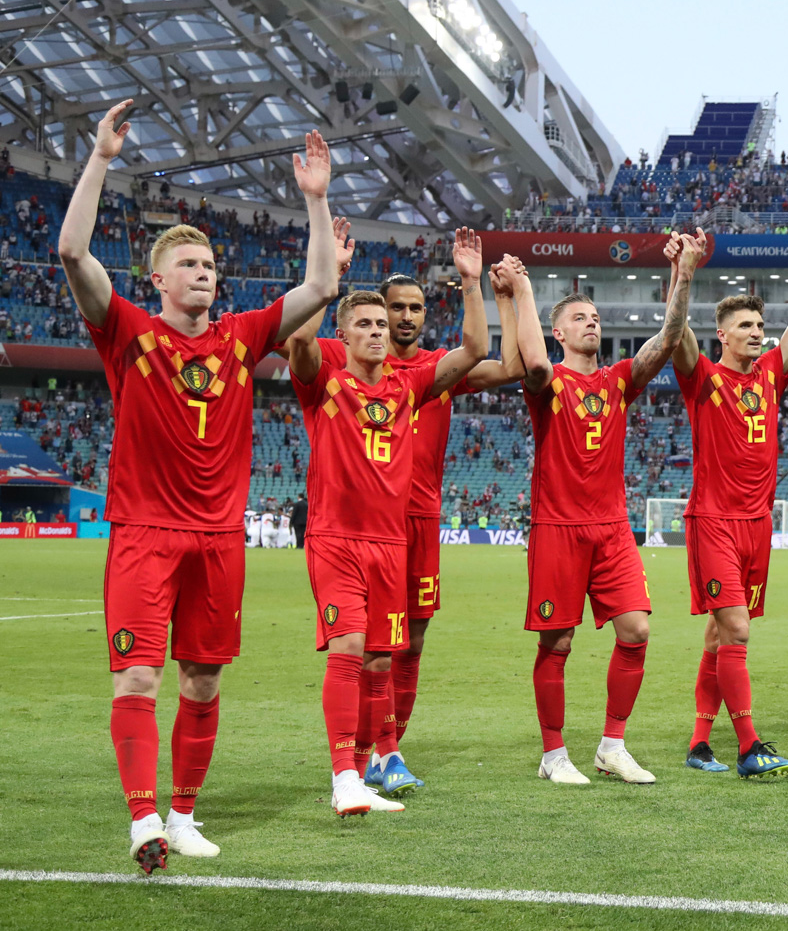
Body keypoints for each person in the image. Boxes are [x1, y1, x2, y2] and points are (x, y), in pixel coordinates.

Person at [59, 102, 339, 871]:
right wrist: (101, 158)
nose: (204, 270)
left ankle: (183, 815)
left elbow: (320, 284)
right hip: (146, 533)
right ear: (157, 281)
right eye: (188, 263)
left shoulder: (243, 337)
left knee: (205, 680)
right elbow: (72, 249)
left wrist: (315, 199)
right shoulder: (126, 333)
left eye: (210, 262)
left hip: (220, 538)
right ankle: (142, 821)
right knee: (139, 673)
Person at [283, 219, 524, 796]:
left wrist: (476, 285)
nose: (400, 320)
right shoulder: (333, 377)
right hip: (345, 531)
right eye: (384, 314)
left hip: (405, 530)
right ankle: (356, 764)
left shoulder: (419, 380)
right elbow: (298, 344)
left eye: (413, 309)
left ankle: (383, 753)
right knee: (355, 649)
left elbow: (486, 354)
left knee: (397, 650)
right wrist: (326, 279)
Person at [502, 230, 701, 785]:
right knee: (558, 641)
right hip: (557, 527)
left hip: (612, 528)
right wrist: (522, 292)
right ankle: (553, 755)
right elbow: (534, 366)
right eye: (580, 317)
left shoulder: (617, 382)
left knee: (635, 630)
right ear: (559, 330)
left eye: (595, 315)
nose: (592, 322)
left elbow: (668, 337)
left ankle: (611, 745)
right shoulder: (548, 382)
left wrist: (683, 275)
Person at [672, 219, 788, 779]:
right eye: (745, 325)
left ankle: (699, 745)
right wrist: (684, 272)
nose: (757, 332)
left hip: (756, 525)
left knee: (721, 633)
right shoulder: (703, 379)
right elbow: (676, 332)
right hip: (714, 520)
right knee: (737, 630)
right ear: (722, 334)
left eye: (760, 324)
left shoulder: (770, 376)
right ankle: (748, 745)